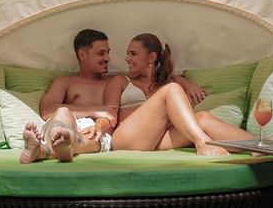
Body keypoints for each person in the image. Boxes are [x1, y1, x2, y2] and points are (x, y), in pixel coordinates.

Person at [20, 29, 209, 163]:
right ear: (83, 55)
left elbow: (159, 77)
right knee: (62, 114)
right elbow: (47, 111)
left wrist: (185, 82)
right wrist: (96, 110)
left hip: (97, 132)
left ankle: (43, 150)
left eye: (108, 52)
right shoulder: (65, 81)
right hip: (66, 122)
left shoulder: (115, 80)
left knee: (86, 140)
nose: (108, 58)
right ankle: (60, 143)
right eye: (101, 53)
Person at [103, 33, 255, 156]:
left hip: (156, 139)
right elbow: (108, 115)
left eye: (133, 54)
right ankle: (202, 143)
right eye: (128, 54)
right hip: (126, 138)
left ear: (151, 57)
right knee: (172, 89)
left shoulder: (167, 83)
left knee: (202, 118)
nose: (127, 59)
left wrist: (186, 84)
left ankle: (260, 145)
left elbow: (173, 83)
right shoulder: (120, 80)